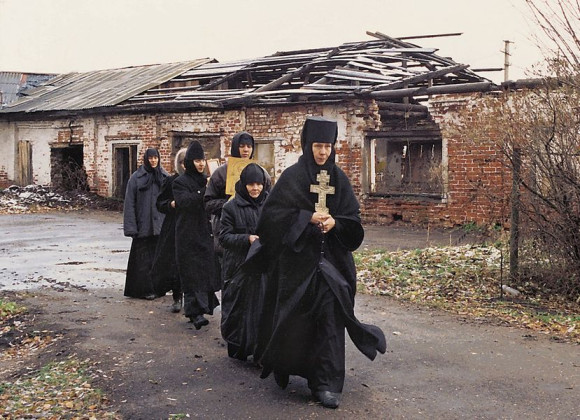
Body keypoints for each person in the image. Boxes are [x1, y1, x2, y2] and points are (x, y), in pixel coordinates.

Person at [253, 116, 386, 409]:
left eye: (327, 146)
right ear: (307, 145)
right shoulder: (293, 177)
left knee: (330, 320)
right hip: (298, 267)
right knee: (297, 321)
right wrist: (306, 217)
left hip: (332, 266)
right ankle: (291, 367)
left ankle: (326, 384)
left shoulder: (339, 179)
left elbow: (353, 222)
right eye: (317, 146)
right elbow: (270, 219)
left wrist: (336, 223)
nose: (323, 152)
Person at [219, 163, 270, 360]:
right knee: (237, 309)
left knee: (261, 309)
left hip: (262, 265)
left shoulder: (269, 205)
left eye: (259, 184)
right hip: (238, 266)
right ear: (244, 184)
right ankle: (237, 346)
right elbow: (224, 238)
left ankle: (260, 351)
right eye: (251, 184)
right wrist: (247, 238)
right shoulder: (230, 207)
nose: (255, 188)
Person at [204, 132, 271, 282]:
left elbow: (269, 201)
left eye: (249, 146)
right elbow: (208, 203)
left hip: (256, 237)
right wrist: (229, 202)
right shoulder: (220, 173)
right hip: (230, 231)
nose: (246, 150)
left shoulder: (262, 173)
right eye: (242, 146)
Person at [173, 141, 221, 330]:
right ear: (189, 162)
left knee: (203, 271)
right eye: (197, 160)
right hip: (187, 233)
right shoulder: (180, 182)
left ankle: (201, 309)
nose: (201, 164)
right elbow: (185, 202)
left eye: (202, 160)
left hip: (204, 231)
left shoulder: (206, 180)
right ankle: (194, 313)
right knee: (191, 273)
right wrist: (204, 191)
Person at [123, 148, 168, 299]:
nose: (153, 161)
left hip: (160, 226)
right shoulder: (136, 178)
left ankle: (157, 288)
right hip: (143, 225)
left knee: (158, 260)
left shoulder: (164, 177)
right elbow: (129, 204)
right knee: (142, 261)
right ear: (146, 159)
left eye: (155, 158)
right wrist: (131, 227)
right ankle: (143, 290)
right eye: (151, 158)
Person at [149, 148, 186, 313]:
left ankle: (192, 300)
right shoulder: (171, 181)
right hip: (174, 225)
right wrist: (170, 204)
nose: (185, 166)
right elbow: (160, 203)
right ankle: (177, 297)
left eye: (188, 162)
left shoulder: (199, 181)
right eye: (182, 163)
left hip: (193, 225)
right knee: (175, 262)